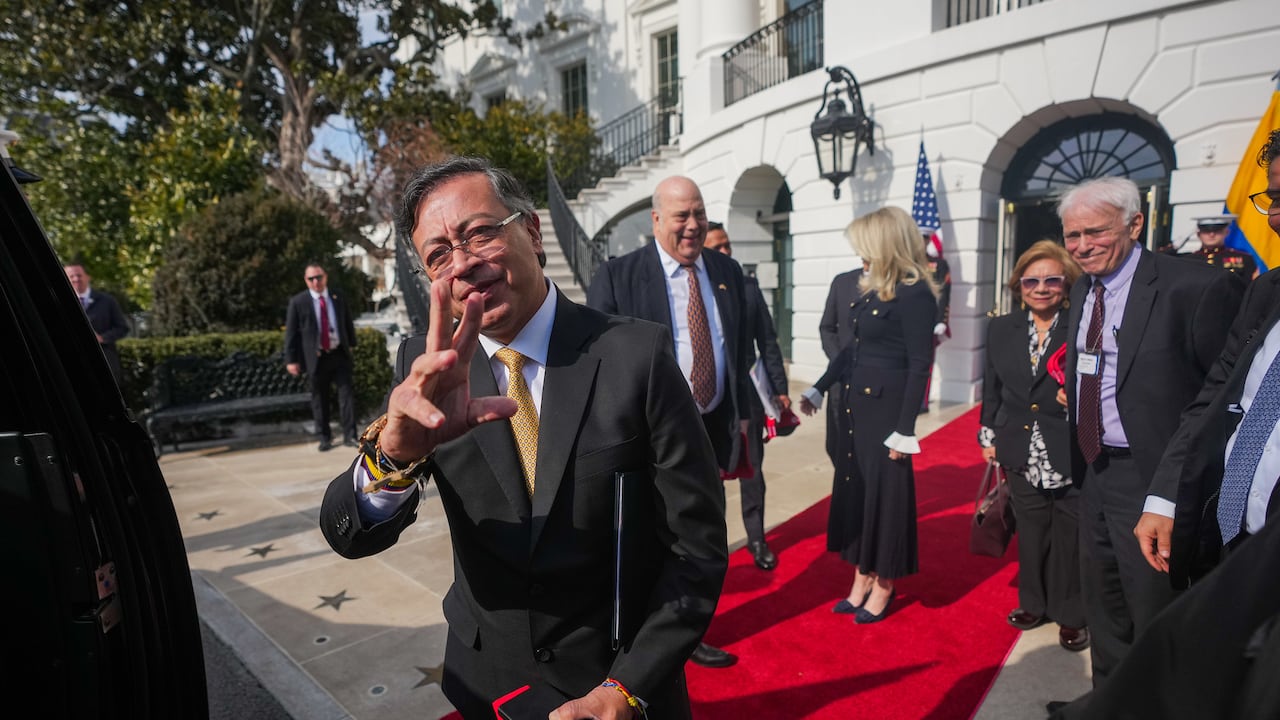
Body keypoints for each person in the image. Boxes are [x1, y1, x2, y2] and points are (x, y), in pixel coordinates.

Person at [318, 157, 728, 719]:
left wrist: (627, 688)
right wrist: (395, 454)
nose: (461, 264)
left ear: (531, 231)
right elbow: (351, 537)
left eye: (479, 233)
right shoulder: (426, 364)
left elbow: (696, 548)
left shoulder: (637, 356)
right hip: (489, 686)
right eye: (437, 255)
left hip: (618, 684)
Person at [1051, 130, 1280, 720]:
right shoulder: (1082, 294)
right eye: (1072, 234)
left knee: (1157, 621)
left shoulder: (1198, 287)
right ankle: (1110, 703)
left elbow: (1221, 398)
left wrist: (1180, 494)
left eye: (1095, 231)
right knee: (1106, 615)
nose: (1081, 245)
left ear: (1134, 223)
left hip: (1158, 481)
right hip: (1095, 470)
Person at [587, 176, 753, 669]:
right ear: (656, 219)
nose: (693, 225)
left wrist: (742, 415)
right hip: (646, 440)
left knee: (701, 534)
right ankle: (642, 637)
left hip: (710, 428)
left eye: (699, 213)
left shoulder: (726, 270)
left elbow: (736, 349)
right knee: (652, 537)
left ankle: (686, 629)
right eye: (681, 216)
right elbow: (596, 363)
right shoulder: (619, 277)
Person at [1135, 128, 1280, 589]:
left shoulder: (1237, 268)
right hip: (1227, 542)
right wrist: (1166, 498)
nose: (1277, 214)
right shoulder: (1266, 291)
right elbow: (1216, 398)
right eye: (1274, 197)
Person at [798, 206, 939, 624]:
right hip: (855, 407)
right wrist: (819, 388)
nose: (860, 253)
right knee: (857, 493)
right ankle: (861, 572)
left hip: (888, 414)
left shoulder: (914, 293)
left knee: (885, 499)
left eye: (865, 245)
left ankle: (884, 582)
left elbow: (920, 364)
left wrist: (905, 430)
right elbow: (850, 351)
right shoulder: (868, 288)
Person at [977, 240, 1089, 652]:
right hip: (1020, 447)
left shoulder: (1081, 323)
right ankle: (1033, 604)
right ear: (1018, 284)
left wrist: (1077, 394)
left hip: (1069, 445)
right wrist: (987, 433)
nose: (1041, 288)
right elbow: (992, 388)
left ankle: (1072, 616)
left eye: (1051, 280)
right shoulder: (1000, 327)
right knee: (1031, 530)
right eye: (1032, 280)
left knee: (1069, 535)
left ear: (1065, 284)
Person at [703, 221, 791, 571]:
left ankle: (757, 538)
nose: (727, 252)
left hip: (747, 397)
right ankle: (715, 545)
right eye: (718, 247)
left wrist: (781, 389)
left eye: (728, 245)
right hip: (706, 399)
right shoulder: (694, 290)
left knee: (752, 469)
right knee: (710, 477)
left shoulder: (749, 287)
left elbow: (767, 341)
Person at [285, 263, 358, 451]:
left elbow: (347, 322)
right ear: (306, 280)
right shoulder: (298, 302)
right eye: (311, 278)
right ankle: (324, 437)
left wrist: (352, 344)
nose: (316, 281)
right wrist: (291, 360)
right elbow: (291, 334)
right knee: (319, 399)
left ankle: (350, 435)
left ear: (325, 277)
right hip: (316, 358)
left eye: (319, 277)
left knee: (347, 396)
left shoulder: (337, 296)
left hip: (339, 353)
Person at [64, 263, 130, 386]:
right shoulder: (61, 303)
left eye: (79, 275)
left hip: (106, 361)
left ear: (88, 277)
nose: (76, 279)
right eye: (71, 276)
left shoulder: (107, 301)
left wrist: (102, 338)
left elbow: (122, 327)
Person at [920, 235, 952, 412]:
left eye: (923, 238)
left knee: (925, 362)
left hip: (927, 322)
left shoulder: (938, 264)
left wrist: (941, 320)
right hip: (902, 322)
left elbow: (944, 293)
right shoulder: (903, 263)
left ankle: (921, 401)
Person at [1186, 213, 1258, 278]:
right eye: (1206, 231)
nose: (1212, 234)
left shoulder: (1244, 258)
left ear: (1226, 232)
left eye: (1217, 231)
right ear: (1198, 234)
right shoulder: (1188, 260)